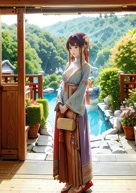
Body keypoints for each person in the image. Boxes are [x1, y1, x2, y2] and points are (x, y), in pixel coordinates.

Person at [53, 32, 93, 193]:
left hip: (75, 110)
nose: (72, 51)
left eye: (75, 47)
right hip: (63, 110)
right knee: (65, 147)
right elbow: (62, 86)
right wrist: (59, 103)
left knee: (74, 146)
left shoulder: (86, 67)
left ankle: (80, 183)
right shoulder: (70, 64)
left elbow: (82, 90)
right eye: (70, 48)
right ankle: (70, 179)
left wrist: (68, 105)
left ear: (83, 47)